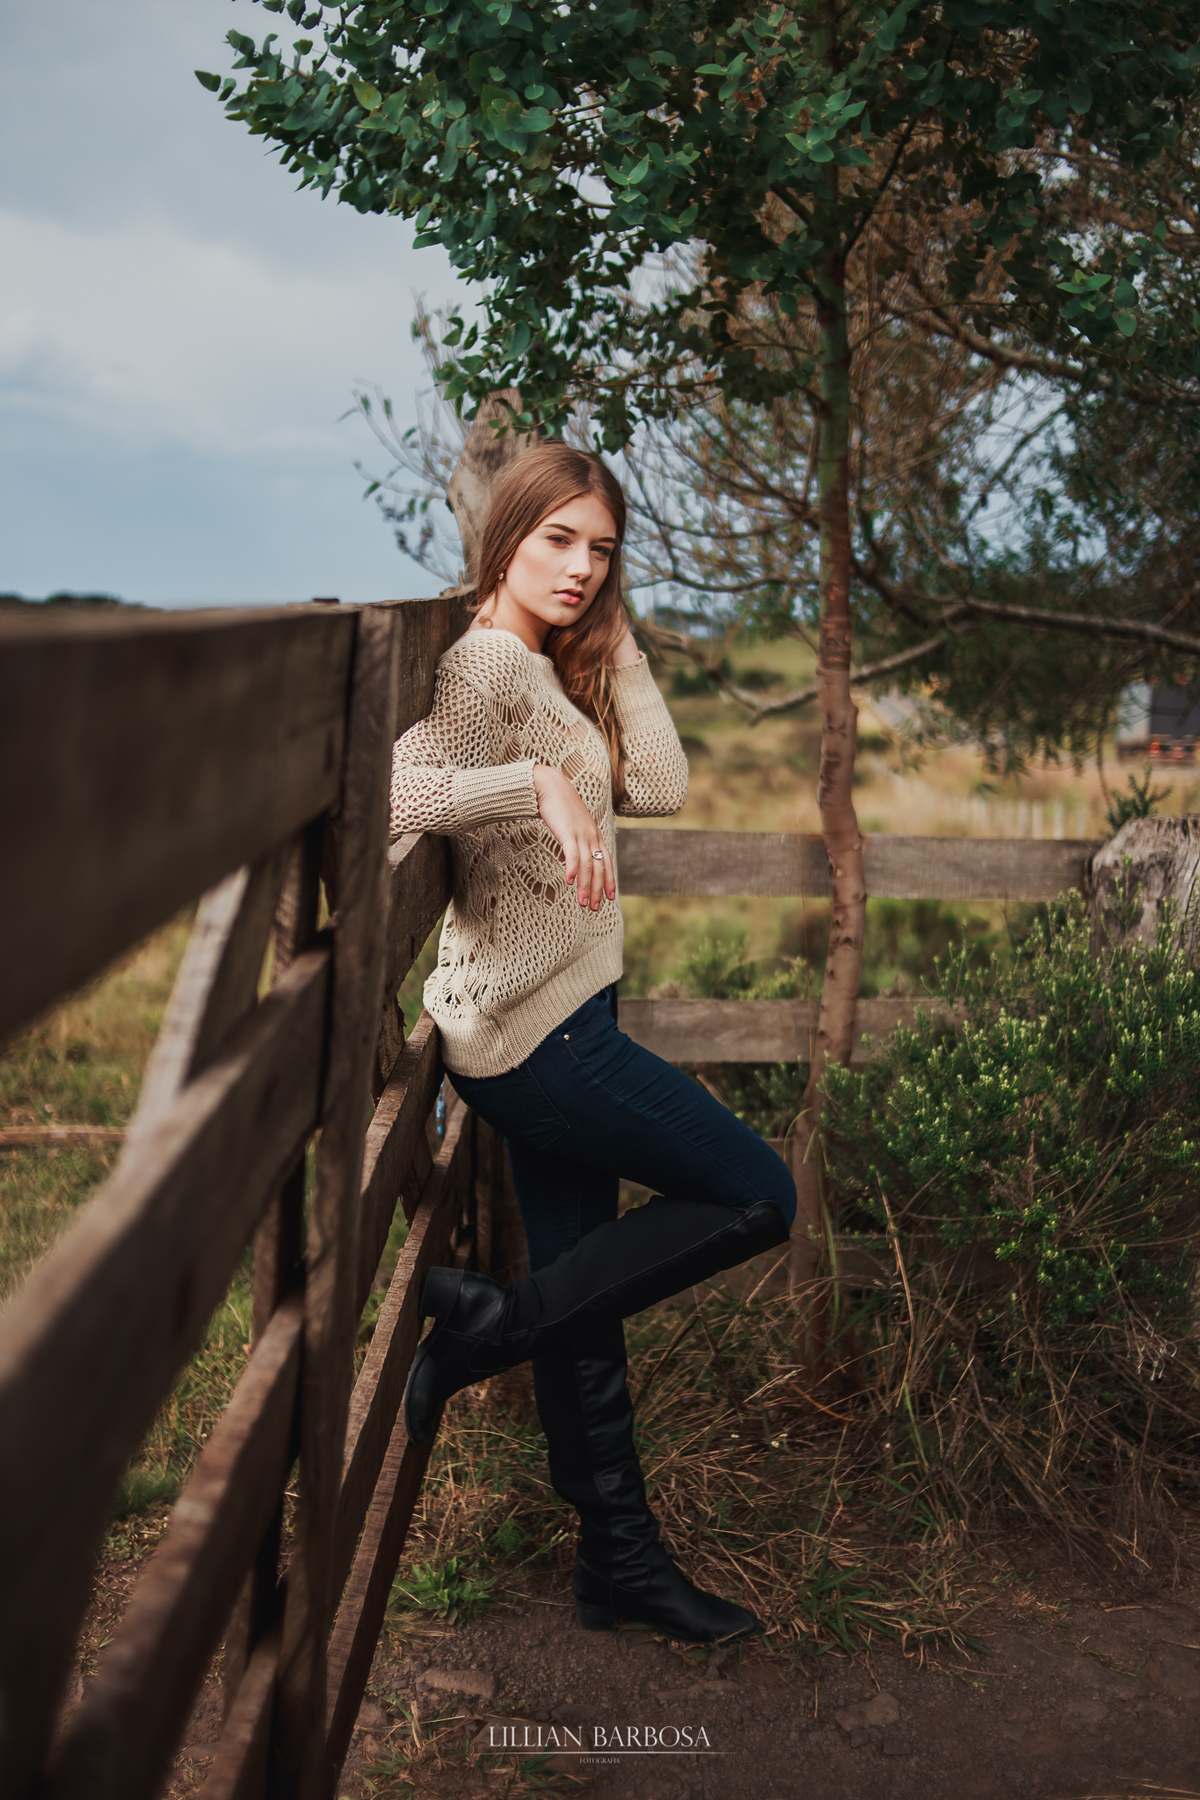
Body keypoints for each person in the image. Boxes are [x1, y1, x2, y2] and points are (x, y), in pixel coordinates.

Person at [389, 442, 796, 1642]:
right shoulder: (480, 668)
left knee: (586, 1301)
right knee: (759, 1194)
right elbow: (398, 799)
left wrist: (615, 641)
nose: (580, 567)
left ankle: (616, 1561)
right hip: (536, 1044)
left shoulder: (552, 661)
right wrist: (534, 787)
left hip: (571, 1013)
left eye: (602, 548)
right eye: (557, 539)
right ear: (504, 536)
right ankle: (490, 1332)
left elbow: (660, 782)